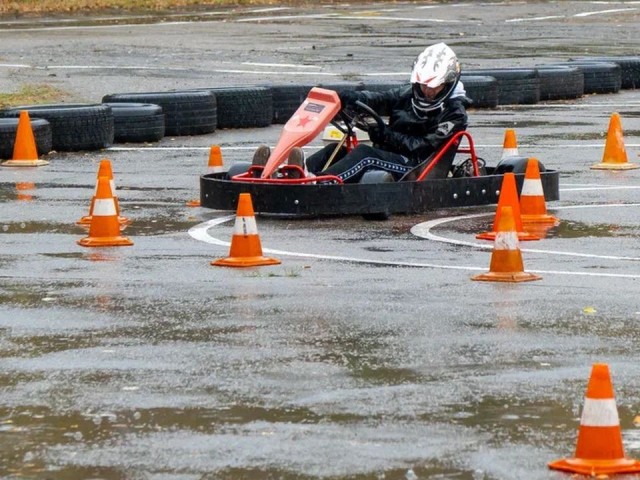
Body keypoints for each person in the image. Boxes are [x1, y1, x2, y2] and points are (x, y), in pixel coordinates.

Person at [302, 42, 469, 183]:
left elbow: (423, 147)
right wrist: (351, 97)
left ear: (448, 84)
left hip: (416, 167)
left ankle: (321, 183)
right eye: (422, 85)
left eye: (433, 87)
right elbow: (380, 99)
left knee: (364, 154)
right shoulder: (407, 94)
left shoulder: (454, 114)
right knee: (334, 149)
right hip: (391, 156)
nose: (426, 91)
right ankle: (298, 175)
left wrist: (387, 136)